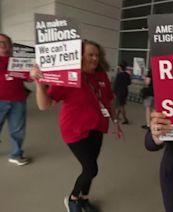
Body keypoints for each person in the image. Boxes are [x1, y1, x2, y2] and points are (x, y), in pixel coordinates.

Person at [30, 40, 121, 212]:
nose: (95, 58)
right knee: (91, 169)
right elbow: (45, 105)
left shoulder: (101, 76)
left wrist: (115, 119)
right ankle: (72, 199)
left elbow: (108, 99)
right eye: (90, 55)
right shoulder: (69, 77)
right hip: (74, 130)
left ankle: (84, 199)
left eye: (97, 55)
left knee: (90, 165)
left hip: (97, 127)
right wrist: (39, 84)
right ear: (79, 56)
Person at [0, 33, 30, 166]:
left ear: (11, 45)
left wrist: (33, 72)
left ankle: (16, 154)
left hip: (18, 100)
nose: (2, 45)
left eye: (5, 42)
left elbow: (27, 77)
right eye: (0, 42)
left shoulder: (19, 59)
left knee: (17, 130)